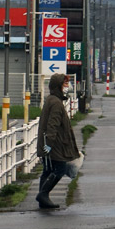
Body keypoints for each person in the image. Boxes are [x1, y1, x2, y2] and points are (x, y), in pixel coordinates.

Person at [35, 73, 80, 210]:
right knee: (59, 169)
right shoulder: (56, 103)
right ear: (58, 86)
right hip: (55, 145)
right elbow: (52, 125)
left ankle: (43, 199)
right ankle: (43, 194)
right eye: (65, 84)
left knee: (48, 170)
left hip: (50, 143)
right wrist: (49, 144)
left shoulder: (51, 100)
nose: (67, 87)